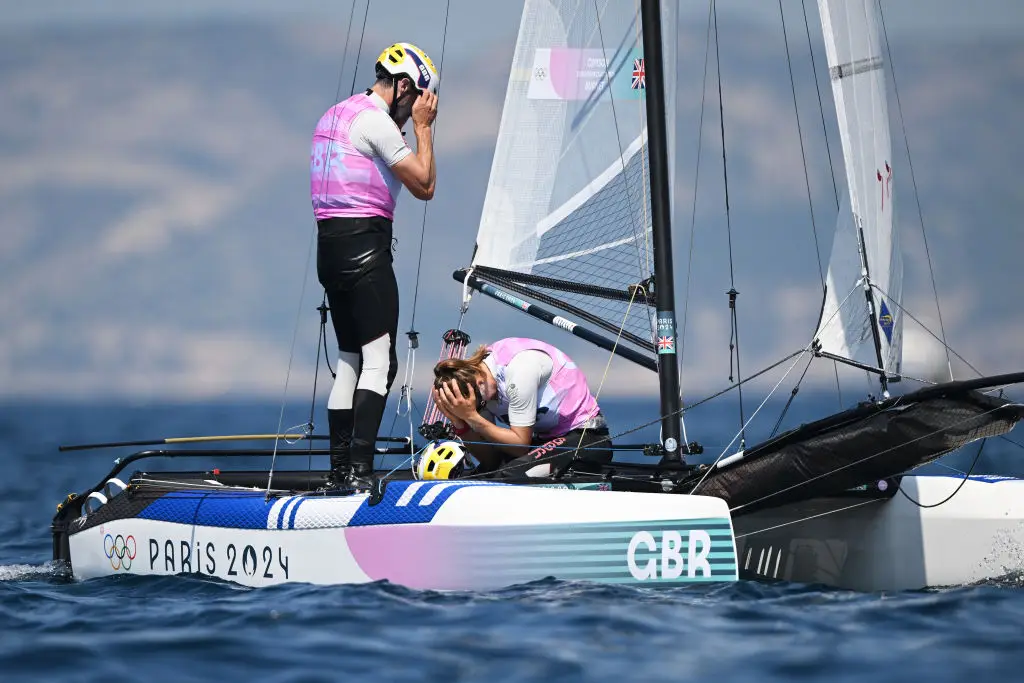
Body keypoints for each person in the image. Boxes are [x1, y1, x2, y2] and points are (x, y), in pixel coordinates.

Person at [310, 42, 439, 490]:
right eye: (416, 99)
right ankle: (361, 474)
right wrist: (424, 129)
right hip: (365, 250)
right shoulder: (377, 123)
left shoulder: (334, 114)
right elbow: (424, 185)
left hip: (330, 252)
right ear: (404, 85)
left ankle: (338, 472)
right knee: (380, 363)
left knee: (350, 361)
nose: (414, 110)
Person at [431, 337, 613, 477]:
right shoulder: (478, 390)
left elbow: (519, 446)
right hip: (546, 441)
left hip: (586, 438)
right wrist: (459, 423)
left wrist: (472, 417)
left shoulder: (519, 370)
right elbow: (490, 460)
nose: (483, 407)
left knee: (512, 473)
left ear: (478, 381)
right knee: (487, 472)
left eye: (480, 405)